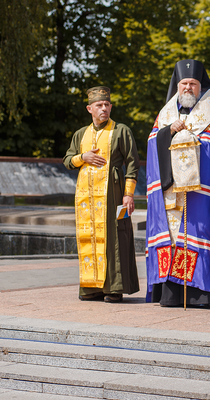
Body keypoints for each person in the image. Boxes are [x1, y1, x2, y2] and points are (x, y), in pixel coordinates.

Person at [145, 59, 210, 307]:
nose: (188, 87)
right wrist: (169, 131)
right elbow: (151, 144)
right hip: (172, 192)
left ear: (201, 86)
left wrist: (191, 138)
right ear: (177, 86)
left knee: (200, 235)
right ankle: (173, 293)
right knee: (173, 238)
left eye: (193, 83)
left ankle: (203, 293)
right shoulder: (165, 113)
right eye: (184, 83)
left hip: (203, 191)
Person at [63, 86, 140, 303]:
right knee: (90, 238)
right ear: (90, 108)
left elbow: (133, 163)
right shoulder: (80, 134)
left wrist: (129, 195)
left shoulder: (121, 130)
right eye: (99, 105)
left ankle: (114, 288)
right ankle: (91, 288)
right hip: (87, 198)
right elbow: (67, 160)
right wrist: (83, 157)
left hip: (116, 193)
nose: (103, 108)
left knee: (118, 234)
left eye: (107, 104)